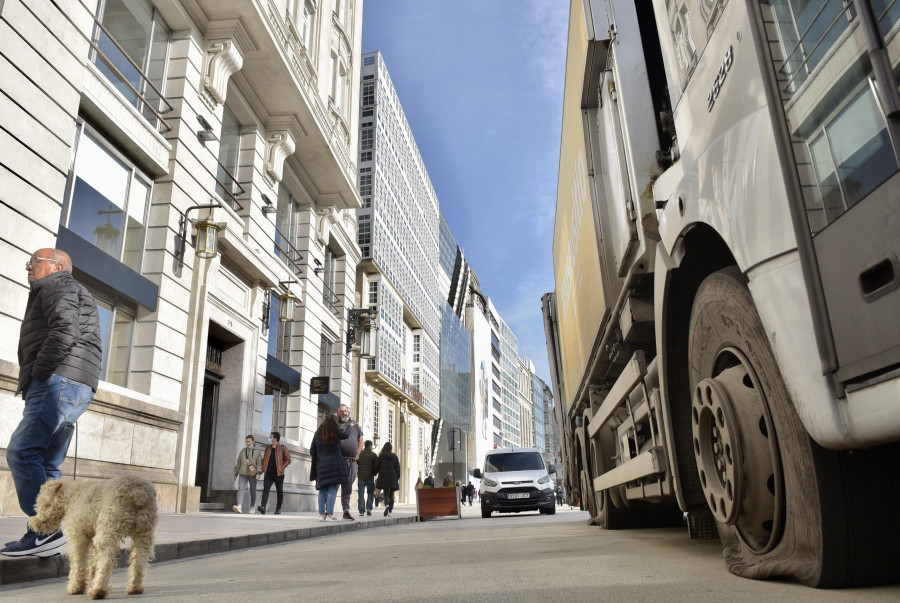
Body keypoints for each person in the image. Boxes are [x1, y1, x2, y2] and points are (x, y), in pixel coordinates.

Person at [3, 249, 102, 558]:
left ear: (57, 266)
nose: (28, 266)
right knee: (47, 462)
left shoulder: (57, 285)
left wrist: (40, 371)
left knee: (22, 451)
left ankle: (45, 529)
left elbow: (65, 330)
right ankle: (51, 535)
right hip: (77, 385)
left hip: (57, 381)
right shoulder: (72, 289)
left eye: (35, 261)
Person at [309, 415, 351, 521]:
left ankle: (321, 515)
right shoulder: (335, 433)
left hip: (321, 465)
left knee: (322, 490)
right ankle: (330, 514)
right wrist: (349, 426)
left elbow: (311, 451)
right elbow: (346, 435)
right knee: (332, 490)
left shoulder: (317, 435)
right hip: (334, 465)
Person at [336, 404, 363, 520]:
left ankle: (346, 510)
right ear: (338, 413)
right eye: (341, 411)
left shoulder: (355, 425)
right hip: (337, 461)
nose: (344, 413)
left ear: (348, 412)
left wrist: (357, 454)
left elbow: (360, 441)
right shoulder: (335, 425)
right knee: (333, 485)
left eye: (345, 411)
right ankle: (328, 510)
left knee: (347, 487)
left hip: (351, 461)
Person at [257, 431, 291, 515]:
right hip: (268, 473)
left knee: (279, 491)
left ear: (275, 438)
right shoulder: (268, 448)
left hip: (279, 474)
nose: (269, 438)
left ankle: (278, 508)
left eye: (271, 437)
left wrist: (282, 467)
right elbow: (264, 459)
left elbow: (288, 459)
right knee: (265, 490)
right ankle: (263, 507)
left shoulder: (283, 447)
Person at [232, 435, 262, 513]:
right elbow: (239, 463)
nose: (247, 443)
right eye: (246, 441)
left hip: (253, 474)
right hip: (242, 473)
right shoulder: (243, 451)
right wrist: (236, 473)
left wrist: (258, 473)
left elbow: (259, 464)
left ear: (252, 441)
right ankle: (239, 506)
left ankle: (252, 507)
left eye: (249, 441)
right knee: (241, 489)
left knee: (252, 490)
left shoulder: (257, 452)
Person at [374, 441, 400, 517]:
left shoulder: (381, 456)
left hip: (384, 477)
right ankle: (390, 510)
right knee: (391, 494)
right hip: (392, 477)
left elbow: (377, 466)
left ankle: (387, 505)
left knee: (386, 492)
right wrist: (397, 476)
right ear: (391, 448)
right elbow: (397, 468)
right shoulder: (394, 456)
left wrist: (374, 472)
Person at [356, 440, 378, 516]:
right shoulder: (374, 455)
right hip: (370, 477)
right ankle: (368, 508)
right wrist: (374, 473)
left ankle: (361, 511)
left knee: (361, 494)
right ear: (370, 446)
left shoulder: (360, 454)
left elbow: (356, 463)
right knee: (370, 493)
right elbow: (376, 466)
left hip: (361, 477)